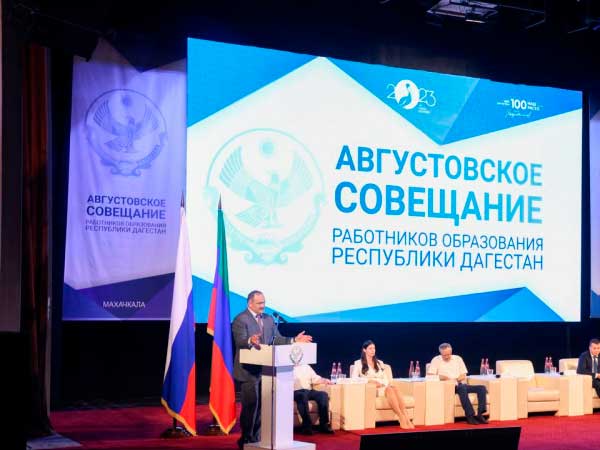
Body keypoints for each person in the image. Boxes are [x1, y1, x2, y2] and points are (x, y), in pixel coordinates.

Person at [232, 290, 312, 449]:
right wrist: (250, 340)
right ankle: (246, 438)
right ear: (250, 303)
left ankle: (257, 437)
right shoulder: (240, 319)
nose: (263, 306)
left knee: (263, 406)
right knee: (251, 406)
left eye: (264, 302)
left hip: (266, 370)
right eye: (259, 303)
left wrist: (294, 340)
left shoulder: (268, 319)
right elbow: (240, 341)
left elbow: (277, 339)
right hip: (248, 371)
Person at [351, 340, 414, 429]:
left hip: (383, 386)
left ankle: (405, 416)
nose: (373, 350)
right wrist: (369, 381)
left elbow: (385, 378)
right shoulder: (358, 363)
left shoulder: (379, 363)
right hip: (372, 389)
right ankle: (401, 416)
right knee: (390, 389)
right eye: (370, 348)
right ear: (364, 350)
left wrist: (383, 384)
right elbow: (354, 379)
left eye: (374, 348)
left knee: (393, 388)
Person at [427, 342, 487, 425]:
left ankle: (480, 414)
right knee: (462, 388)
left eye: (448, 354)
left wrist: (457, 379)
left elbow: (463, 374)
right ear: (440, 353)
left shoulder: (458, 359)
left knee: (482, 388)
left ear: (451, 351)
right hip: (448, 387)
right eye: (444, 355)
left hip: (460, 384)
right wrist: (444, 377)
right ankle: (470, 416)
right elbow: (430, 376)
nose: (447, 357)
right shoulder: (436, 360)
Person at [293, 363, 335, 435]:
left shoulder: (306, 366)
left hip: (308, 390)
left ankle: (323, 425)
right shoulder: (286, 367)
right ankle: (306, 426)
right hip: (295, 391)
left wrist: (324, 380)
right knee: (302, 396)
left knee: (323, 395)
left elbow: (315, 378)